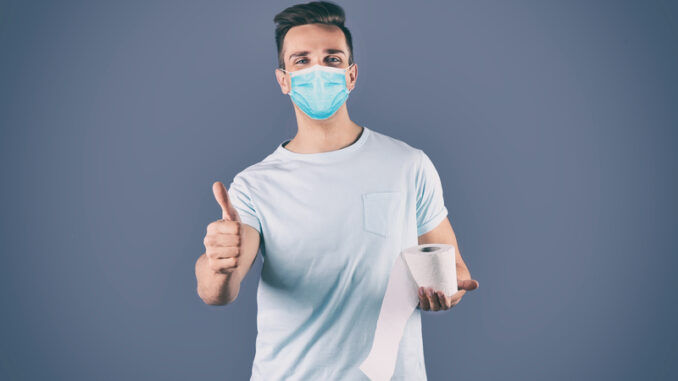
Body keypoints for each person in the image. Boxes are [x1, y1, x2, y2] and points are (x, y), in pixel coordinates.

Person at [194, 1, 479, 380]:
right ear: (283, 79)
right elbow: (218, 291)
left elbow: (454, 268)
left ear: (351, 74)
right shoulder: (255, 185)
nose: (318, 70)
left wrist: (450, 290)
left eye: (331, 59)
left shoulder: (408, 165)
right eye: (301, 60)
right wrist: (218, 263)